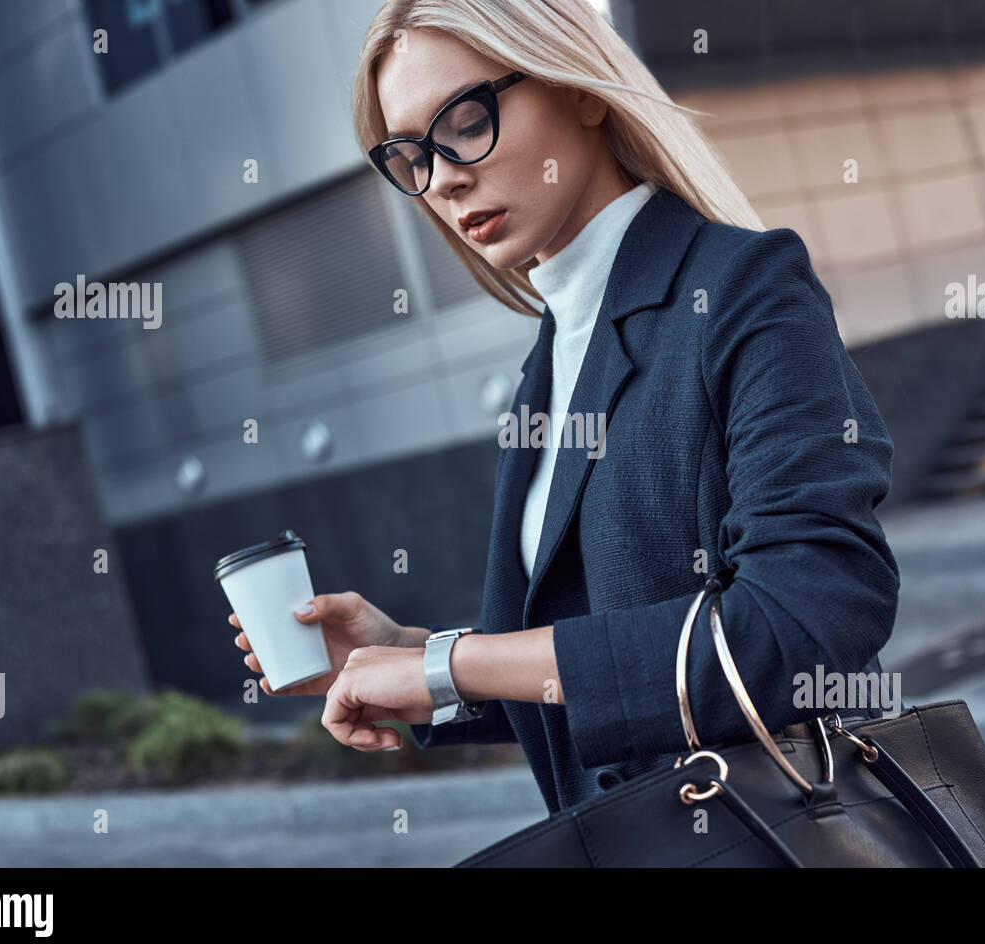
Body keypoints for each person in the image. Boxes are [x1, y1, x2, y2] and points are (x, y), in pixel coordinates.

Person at [229, 0, 901, 816]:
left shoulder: (745, 288)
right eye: (412, 155)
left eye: (466, 119)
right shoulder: (551, 357)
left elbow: (805, 625)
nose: (442, 178)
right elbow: (599, 673)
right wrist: (408, 652)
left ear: (580, 89)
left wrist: (454, 664)